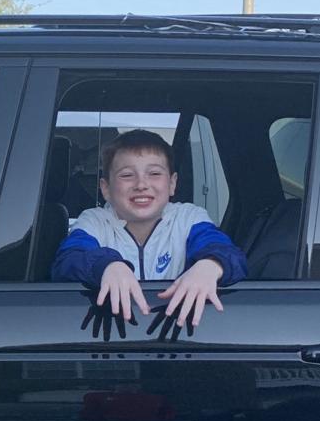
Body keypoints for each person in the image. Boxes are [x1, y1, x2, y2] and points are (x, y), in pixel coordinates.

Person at [52, 129, 247, 327]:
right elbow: (68, 260)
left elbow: (224, 250)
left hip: (176, 329)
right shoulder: (95, 222)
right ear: (106, 189)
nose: (142, 184)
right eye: (127, 175)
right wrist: (107, 265)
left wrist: (211, 265)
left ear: (172, 183)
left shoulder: (189, 218)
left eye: (154, 173)